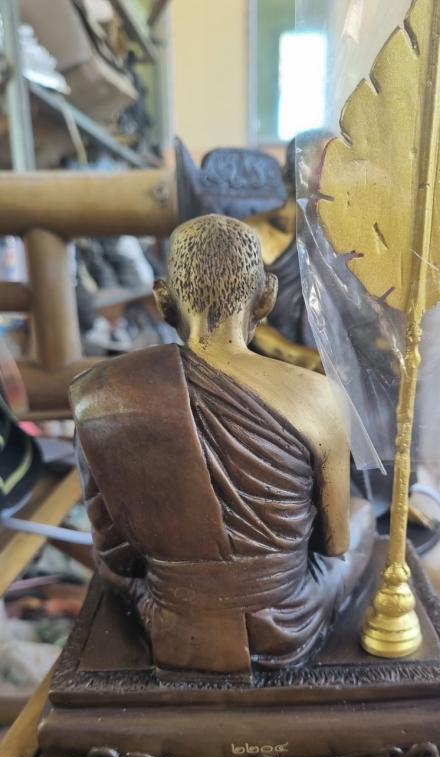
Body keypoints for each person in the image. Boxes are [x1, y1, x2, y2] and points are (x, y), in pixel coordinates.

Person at [71, 215, 375, 675]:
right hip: (286, 623)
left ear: (162, 299)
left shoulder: (99, 396)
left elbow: (118, 557)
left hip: (170, 626)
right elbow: (332, 545)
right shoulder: (319, 397)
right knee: (364, 515)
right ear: (267, 296)